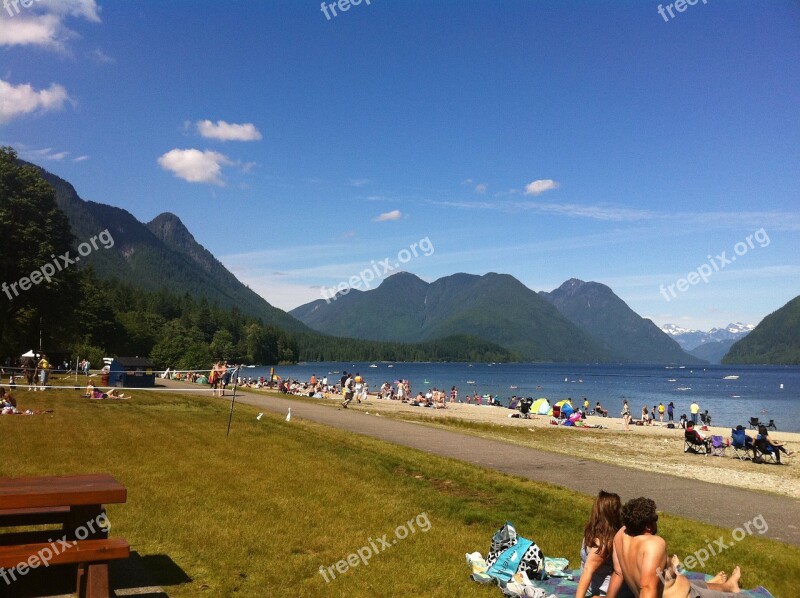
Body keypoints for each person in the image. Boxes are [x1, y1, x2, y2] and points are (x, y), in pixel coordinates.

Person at [608, 497, 743, 598]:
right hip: (685, 596)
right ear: (648, 526)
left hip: (678, 585)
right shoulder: (653, 544)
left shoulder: (620, 535)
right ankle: (730, 590)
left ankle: (729, 586)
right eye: (655, 518)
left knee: (697, 584)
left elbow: (618, 572)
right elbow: (647, 589)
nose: (657, 521)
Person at [576, 490, 633, 598]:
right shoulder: (594, 533)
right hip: (596, 590)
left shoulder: (605, 543)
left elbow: (588, 570)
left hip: (607, 594)